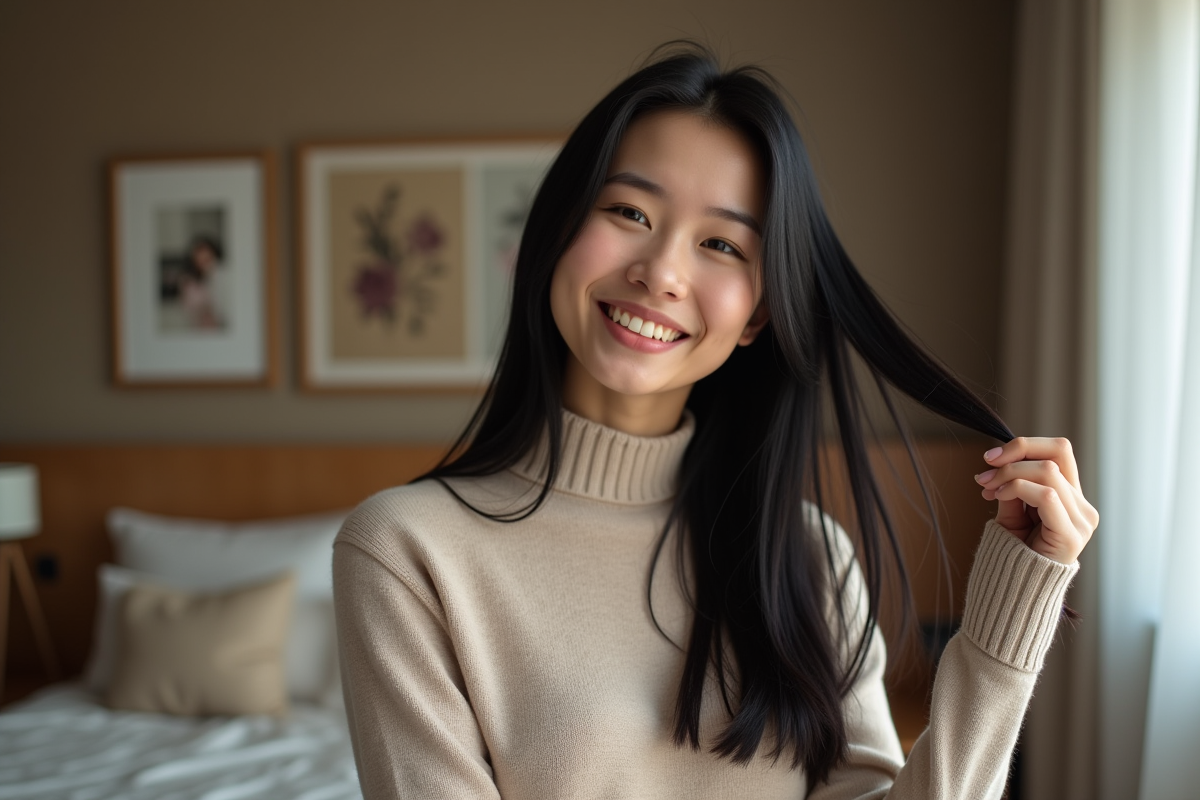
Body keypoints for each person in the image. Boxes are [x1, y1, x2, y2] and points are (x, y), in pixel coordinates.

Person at [332, 44, 1098, 799]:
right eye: (630, 211)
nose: (661, 271)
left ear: (759, 313)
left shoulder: (810, 558)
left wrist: (1005, 628)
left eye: (721, 245)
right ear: (558, 231)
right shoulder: (406, 551)